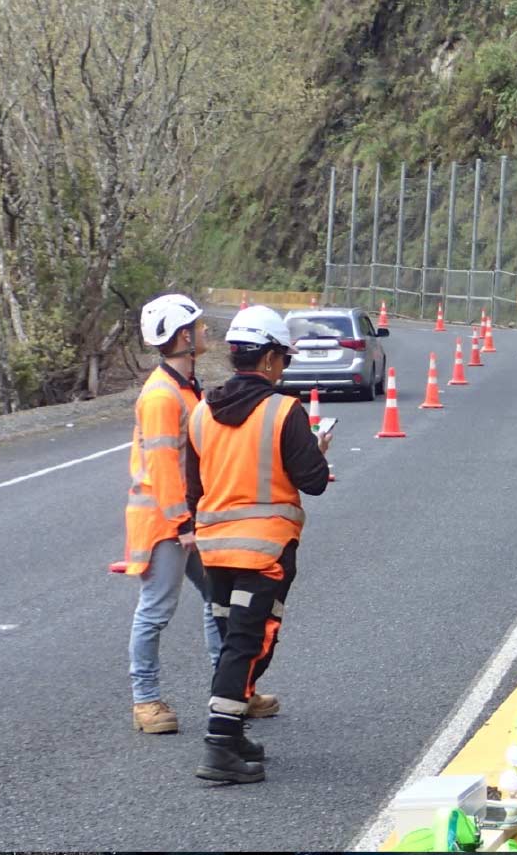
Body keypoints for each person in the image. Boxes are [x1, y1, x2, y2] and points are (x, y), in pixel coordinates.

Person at [186, 305, 332, 782]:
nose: (284, 368)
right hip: (263, 552)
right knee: (250, 644)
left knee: (235, 642)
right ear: (270, 359)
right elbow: (312, 482)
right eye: (284, 359)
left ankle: (231, 733)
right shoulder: (283, 411)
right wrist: (316, 450)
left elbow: (194, 489)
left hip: (214, 552)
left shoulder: (202, 413)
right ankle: (220, 747)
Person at [125, 293, 223, 734]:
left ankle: (231, 689)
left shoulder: (187, 386)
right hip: (167, 522)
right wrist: (182, 522)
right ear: (184, 337)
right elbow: (163, 464)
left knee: (217, 598)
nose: (206, 332)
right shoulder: (162, 395)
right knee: (156, 610)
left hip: (190, 516)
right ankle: (145, 702)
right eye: (200, 327)